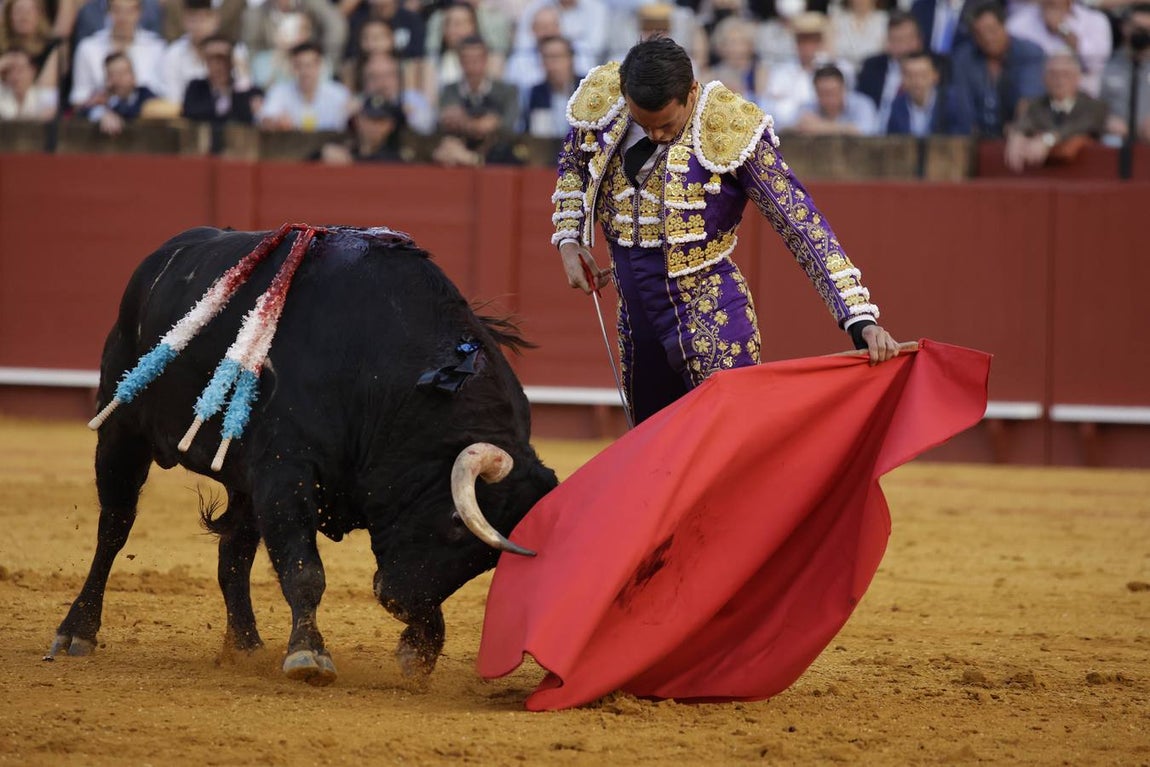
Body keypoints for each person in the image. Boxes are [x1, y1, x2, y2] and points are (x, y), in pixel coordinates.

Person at [550, 37, 899, 424]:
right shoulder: (607, 102)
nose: (655, 136)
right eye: (643, 124)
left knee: (732, 440)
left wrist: (859, 318)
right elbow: (573, 164)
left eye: (665, 124)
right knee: (653, 446)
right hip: (636, 321)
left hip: (710, 313)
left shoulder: (730, 126)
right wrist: (569, 239)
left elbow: (801, 224)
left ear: (691, 92)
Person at [949, 0, 1046, 136]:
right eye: (979, 34)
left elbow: (1029, 99)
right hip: (976, 136)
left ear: (1004, 26)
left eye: (992, 30)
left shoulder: (1030, 52)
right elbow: (963, 104)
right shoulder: (963, 57)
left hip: (1018, 134)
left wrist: (1018, 129)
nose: (988, 38)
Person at [1004, 51, 1109, 170]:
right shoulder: (1035, 106)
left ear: (1077, 78)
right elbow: (1024, 123)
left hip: (1085, 172)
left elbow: (1078, 126)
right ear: (1044, 78)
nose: (1059, 80)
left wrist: (1047, 140)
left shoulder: (1095, 107)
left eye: (1065, 74)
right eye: (1053, 74)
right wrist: (1017, 135)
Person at [69, 0, 165, 108]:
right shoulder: (88, 48)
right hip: (99, 116)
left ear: (139, 12)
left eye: (129, 11)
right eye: (117, 10)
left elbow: (164, 97)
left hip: (148, 116)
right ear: (107, 12)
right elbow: (78, 98)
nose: (123, 17)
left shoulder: (157, 49)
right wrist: (100, 112)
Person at [1006, 0, 1112, 96]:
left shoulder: (1095, 20)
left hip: (1083, 100)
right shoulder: (1018, 24)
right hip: (1034, 101)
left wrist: (1062, 30)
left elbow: (1094, 64)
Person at [259, 40, 351, 130]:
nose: (304, 72)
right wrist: (276, 122)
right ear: (292, 68)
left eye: (309, 65)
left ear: (319, 66)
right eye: (299, 66)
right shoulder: (280, 91)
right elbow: (266, 118)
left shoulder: (338, 94)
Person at [856, 11, 926, 130]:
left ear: (919, 41)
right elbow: (861, 104)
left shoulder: (933, 66)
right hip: (874, 132)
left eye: (906, 39)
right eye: (895, 40)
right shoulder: (871, 67)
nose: (901, 46)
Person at [1099, 2, 1150, 143]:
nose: (1143, 34)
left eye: (1148, 29)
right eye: (1138, 28)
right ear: (1125, 27)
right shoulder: (1106, 64)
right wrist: (1105, 120)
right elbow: (1090, 103)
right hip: (1115, 137)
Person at [81, 50, 156, 133]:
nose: (119, 79)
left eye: (123, 73)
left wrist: (114, 105)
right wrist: (102, 115)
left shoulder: (145, 94)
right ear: (107, 80)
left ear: (133, 76)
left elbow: (133, 112)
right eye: (113, 75)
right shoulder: (101, 97)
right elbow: (83, 111)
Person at [795, 63, 879, 134]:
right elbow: (791, 127)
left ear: (843, 89)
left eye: (833, 92)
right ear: (816, 92)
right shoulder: (807, 107)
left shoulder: (863, 104)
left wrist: (820, 127)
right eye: (823, 94)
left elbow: (865, 131)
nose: (829, 98)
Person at [522, 33, 579, 137]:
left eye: (556, 57)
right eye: (546, 57)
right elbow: (532, 133)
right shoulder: (537, 92)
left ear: (570, 59)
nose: (551, 63)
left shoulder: (584, 88)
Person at [0, 46, 56, 118]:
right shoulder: (3, 94)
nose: (14, 76)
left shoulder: (42, 96)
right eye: (9, 71)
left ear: (33, 70)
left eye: (20, 70)